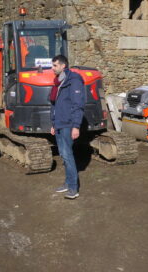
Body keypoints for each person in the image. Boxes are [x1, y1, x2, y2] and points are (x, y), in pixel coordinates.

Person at [50, 55, 86, 200]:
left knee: (68, 155)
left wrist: (76, 126)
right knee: (63, 156)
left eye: (55, 66)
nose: (52, 68)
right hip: (59, 123)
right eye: (52, 65)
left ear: (63, 66)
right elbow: (54, 105)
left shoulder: (74, 81)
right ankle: (67, 182)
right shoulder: (58, 82)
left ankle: (73, 188)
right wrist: (53, 123)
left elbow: (78, 105)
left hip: (68, 124)